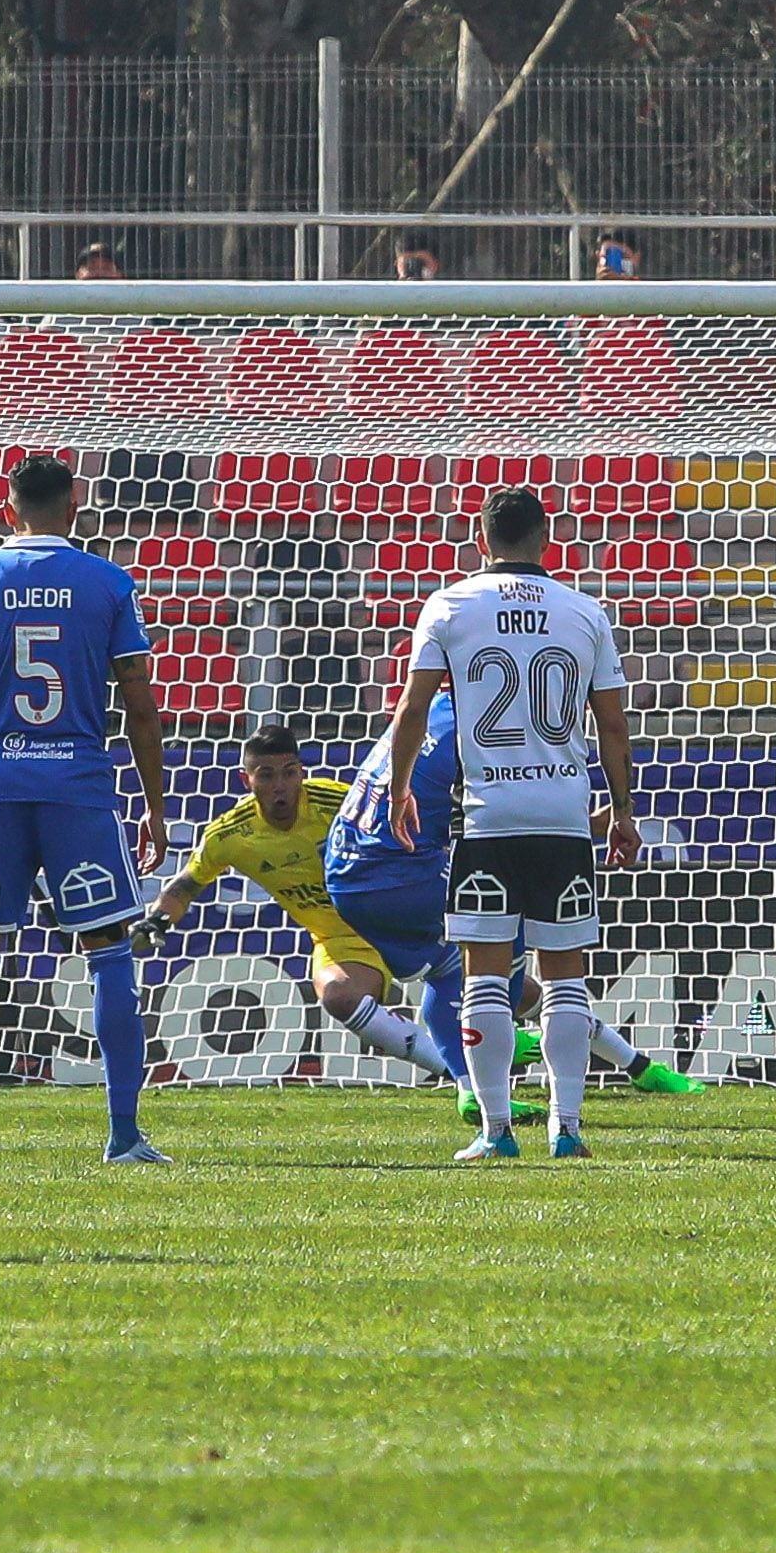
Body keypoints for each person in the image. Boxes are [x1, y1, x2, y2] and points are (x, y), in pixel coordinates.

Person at [0, 454, 171, 1165]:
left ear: (7, 507)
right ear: (74, 505)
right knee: (109, 955)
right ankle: (123, 1134)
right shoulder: (108, 583)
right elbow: (140, 709)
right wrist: (153, 806)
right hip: (78, 792)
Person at [387, 485, 639, 1160]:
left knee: (484, 976)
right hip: (560, 814)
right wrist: (620, 810)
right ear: (545, 538)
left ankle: (496, 1130)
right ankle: (567, 1128)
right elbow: (610, 722)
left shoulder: (449, 604)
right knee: (564, 977)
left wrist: (400, 787)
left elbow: (412, 710)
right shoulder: (583, 611)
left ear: (481, 539)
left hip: (487, 814)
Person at [327, 688, 700, 1126]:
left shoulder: (433, 710)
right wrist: (592, 823)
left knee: (458, 973)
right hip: (401, 876)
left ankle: (479, 1085)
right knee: (501, 952)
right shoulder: (482, 728)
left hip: (347, 875)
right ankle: (508, 1063)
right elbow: (509, 815)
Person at [128, 722, 457, 1096]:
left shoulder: (340, 804)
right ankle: (451, 1068)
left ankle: (516, 1041)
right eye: (266, 775)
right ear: (246, 779)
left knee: (508, 991)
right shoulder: (230, 835)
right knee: (338, 996)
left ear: (302, 772)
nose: (280, 786)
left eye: (289, 773)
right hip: (339, 941)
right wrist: (156, 920)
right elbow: (185, 885)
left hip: (391, 916)